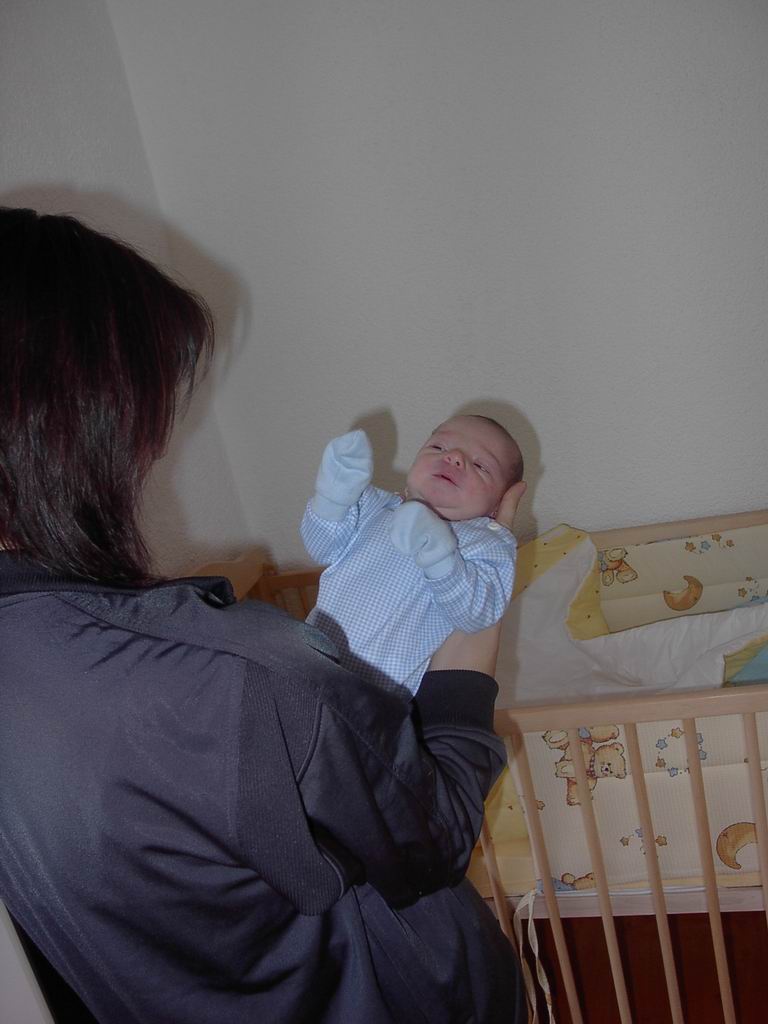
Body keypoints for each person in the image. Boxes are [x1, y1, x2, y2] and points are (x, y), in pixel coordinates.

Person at [0, 207, 527, 1024]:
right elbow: (436, 834)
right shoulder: (243, 676)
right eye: (150, 413)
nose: (153, 446)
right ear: (77, 427)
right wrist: (473, 655)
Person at [301, 416, 523, 693]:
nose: (454, 457)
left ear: (496, 506)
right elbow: (322, 548)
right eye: (438, 447)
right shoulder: (375, 505)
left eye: (481, 466)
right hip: (305, 658)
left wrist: (439, 555)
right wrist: (333, 498)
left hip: (370, 695)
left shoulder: (486, 541)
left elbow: (476, 614)